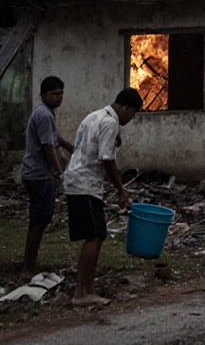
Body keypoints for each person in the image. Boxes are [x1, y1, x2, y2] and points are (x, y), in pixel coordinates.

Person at [63, 87, 142, 306]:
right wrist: (121, 190)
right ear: (125, 108)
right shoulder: (110, 122)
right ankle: (82, 292)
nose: (130, 119)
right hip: (85, 184)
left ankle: (87, 287)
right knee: (95, 236)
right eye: (132, 114)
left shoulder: (94, 116)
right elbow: (107, 159)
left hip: (76, 180)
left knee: (95, 234)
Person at [20, 76, 74, 278]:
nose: (59, 98)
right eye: (54, 94)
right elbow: (48, 146)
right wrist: (60, 172)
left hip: (36, 173)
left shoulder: (44, 112)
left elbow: (55, 137)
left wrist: (71, 148)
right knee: (39, 221)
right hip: (39, 175)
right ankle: (28, 268)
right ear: (43, 95)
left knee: (39, 220)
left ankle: (29, 265)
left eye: (61, 94)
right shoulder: (44, 115)